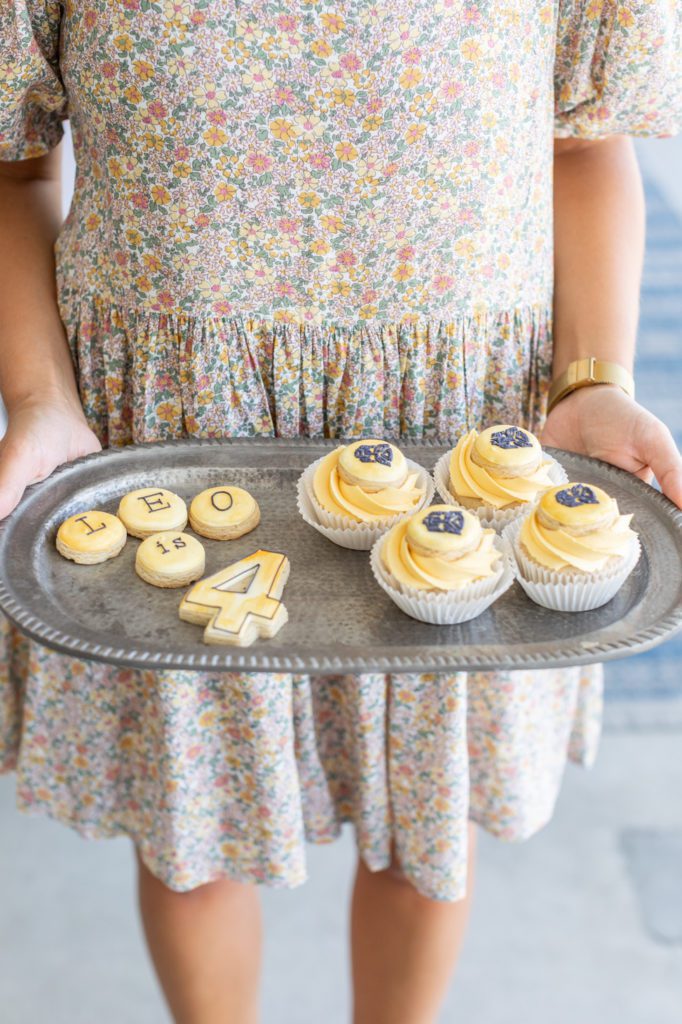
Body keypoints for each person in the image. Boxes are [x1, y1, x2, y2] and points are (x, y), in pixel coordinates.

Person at [1, 2, 681, 1021]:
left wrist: (590, 378)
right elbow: (13, 169)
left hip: (463, 436)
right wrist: (42, 398)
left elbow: (583, 145)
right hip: (170, 431)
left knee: (424, 827)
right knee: (196, 834)